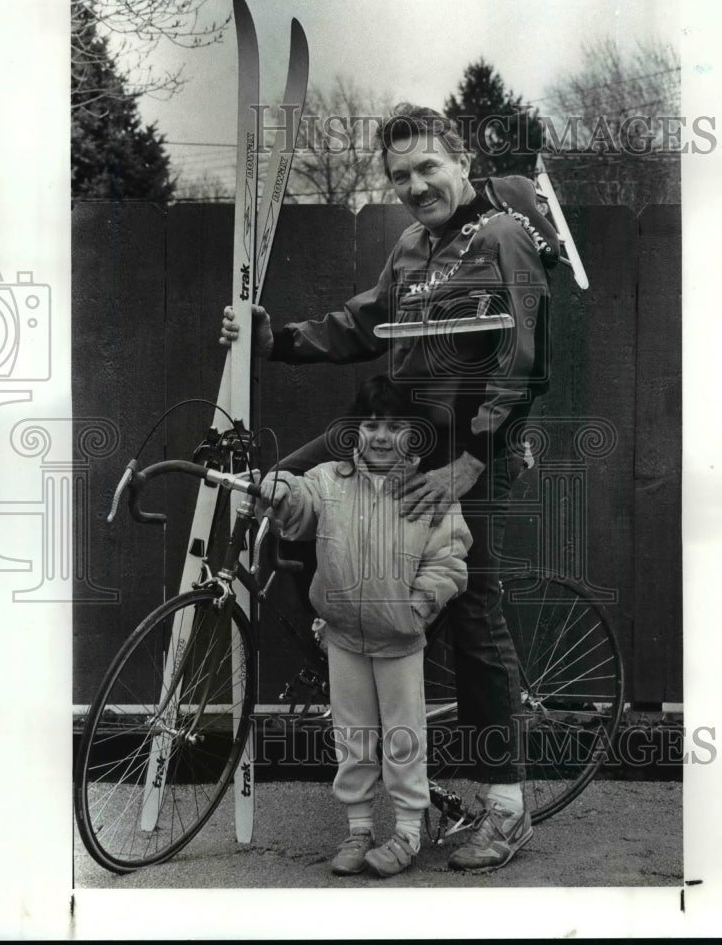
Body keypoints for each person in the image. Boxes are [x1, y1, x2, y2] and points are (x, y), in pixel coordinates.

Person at [222, 104, 557, 871]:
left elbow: (527, 362)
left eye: (426, 168)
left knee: (471, 607)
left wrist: (470, 461)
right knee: (287, 489)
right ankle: (351, 624)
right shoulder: (411, 246)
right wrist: (280, 340)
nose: (413, 185)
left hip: (472, 446)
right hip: (403, 436)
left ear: (461, 159)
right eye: (399, 175)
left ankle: (506, 806)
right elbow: (365, 323)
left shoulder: (503, 236)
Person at [257, 374, 472, 877]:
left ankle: (407, 833)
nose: (380, 435)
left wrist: (418, 605)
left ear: (413, 434)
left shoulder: (429, 490)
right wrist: (280, 488)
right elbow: (299, 503)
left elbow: (450, 559)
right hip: (344, 636)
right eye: (372, 423)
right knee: (352, 736)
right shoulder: (330, 480)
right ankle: (358, 830)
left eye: (394, 425)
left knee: (403, 737)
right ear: (356, 430)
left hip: (399, 638)